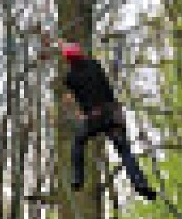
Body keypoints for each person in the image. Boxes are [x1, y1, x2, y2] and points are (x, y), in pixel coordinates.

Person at [60, 42, 156, 200]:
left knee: (78, 141)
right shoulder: (94, 65)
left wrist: (79, 112)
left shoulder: (70, 78)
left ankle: (77, 178)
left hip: (94, 119)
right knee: (125, 151)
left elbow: (72, 97)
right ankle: (140, 183)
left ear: (68, 60)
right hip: (112, 116)